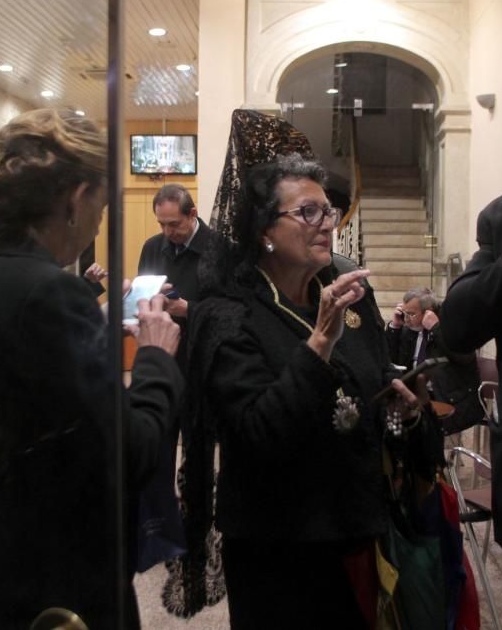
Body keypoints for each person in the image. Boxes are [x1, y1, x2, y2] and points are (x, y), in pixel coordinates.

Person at [0, 109, 183, 630]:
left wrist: (91, 329)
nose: (98, 223)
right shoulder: (51, 291)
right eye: (103, 206)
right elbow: (127, 451)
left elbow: (31, 391)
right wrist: (155, 357)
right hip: (57, 569)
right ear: (76, 198)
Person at [181, 154, 443, 628]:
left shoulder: (347, 299)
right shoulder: (226, 316)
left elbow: (375, 389)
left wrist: (404, 411)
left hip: (358, 531)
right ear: (264, 230)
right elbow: (256, 433)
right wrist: (320, 340)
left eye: (329, 211)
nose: (327, 224)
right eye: (307, 212)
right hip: (279, 547)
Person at [385, 287, 481, 433]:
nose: (407, 319)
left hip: (450, 397)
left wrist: (436, 329)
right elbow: (392, 361)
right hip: (418, 394)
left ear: (428, 311)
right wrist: (395, 327)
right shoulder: (409, 330)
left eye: (410, 314)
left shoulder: (452, 325)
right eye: (405, 313)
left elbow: (464, 357)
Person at [137, 183, 221, 322]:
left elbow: (234, 309)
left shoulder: (220, 248)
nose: (167, 232)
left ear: (192, 214)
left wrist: (189, 310)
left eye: (174, 224)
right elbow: (142, 298)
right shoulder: (151, 247)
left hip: (204, 340)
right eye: (162, 224)